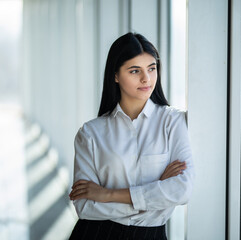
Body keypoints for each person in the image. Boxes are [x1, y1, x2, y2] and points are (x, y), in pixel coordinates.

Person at [68, 32, 195, 240]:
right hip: (97, 234)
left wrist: (107, 195)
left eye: (151, 68)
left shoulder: (173, 122)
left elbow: (182, 190)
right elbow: (85, 207)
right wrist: (156, 193)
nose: (146, 78)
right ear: (115, 75)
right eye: (135, 71)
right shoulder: (90, 133)